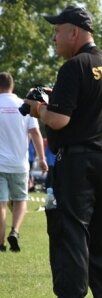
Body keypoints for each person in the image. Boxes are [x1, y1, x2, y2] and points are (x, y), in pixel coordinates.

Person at [27, 5, 102, 298]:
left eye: (57, 31)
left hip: (79, 164)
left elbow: (60, 121)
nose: (54, 38)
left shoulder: (75, 66)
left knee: (70, 238)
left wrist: (39, 108)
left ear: (74, 32)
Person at [0, 72, 47, 252]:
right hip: (20, 164)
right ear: (12, 85)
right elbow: (36, 133)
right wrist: (42, 159)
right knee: (20, 200)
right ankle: (16, 231)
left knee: (1, 203)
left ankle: (1, 243)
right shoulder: (24, 104)